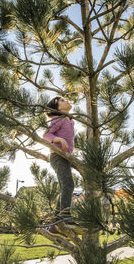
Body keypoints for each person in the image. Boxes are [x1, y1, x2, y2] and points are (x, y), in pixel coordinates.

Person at [43, 97, 75, 227]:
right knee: (68, 184)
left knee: (65, 186)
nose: (66, 100)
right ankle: (65, 217)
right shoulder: (58, 119)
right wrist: (59, 140)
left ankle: (55, 224)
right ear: (57, 108)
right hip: (57, 156)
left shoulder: (70, 121)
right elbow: (46, 134)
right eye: (61, 100)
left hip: (65, 157)